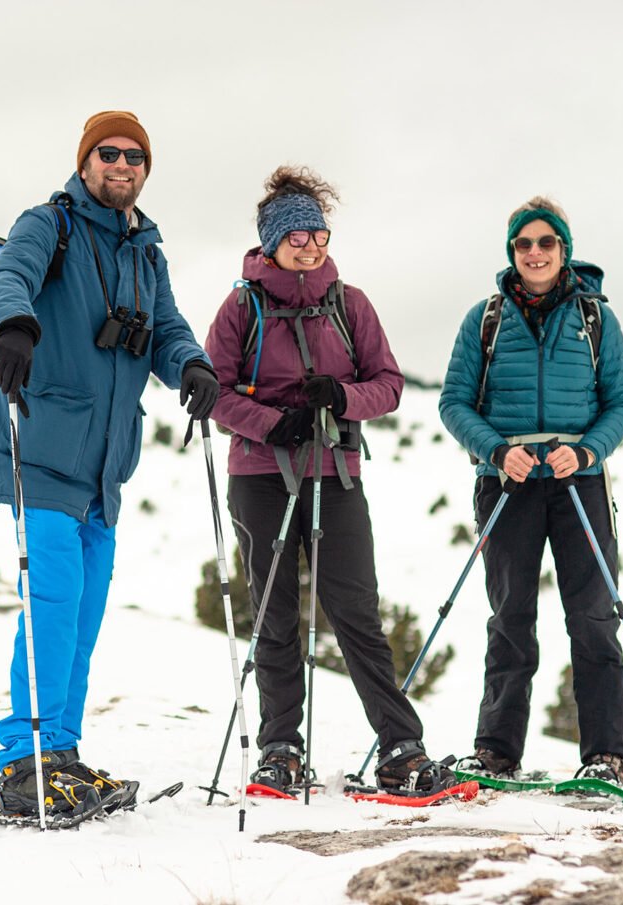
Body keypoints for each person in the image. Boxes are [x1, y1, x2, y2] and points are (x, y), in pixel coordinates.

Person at [0, 111, 220, 817]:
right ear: (85, 163)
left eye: (135, 156)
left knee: (82, 615)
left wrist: (192, 366)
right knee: (51, 607)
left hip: (107, 466)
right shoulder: (48, 224)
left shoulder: (147, 250)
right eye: (108, 154)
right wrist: (16, 326)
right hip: (43, 443)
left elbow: (167, 327)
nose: (122, 164)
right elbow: (6, 278)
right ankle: (23, 763)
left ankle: (62, 753)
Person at [204, 166, 456, 795]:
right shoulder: (241, 307)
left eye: (318, 232)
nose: (311, 244)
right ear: (271, 242)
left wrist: (340, 398)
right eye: (297, 235)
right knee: (276, 613)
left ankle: (401, 747)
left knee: (355, 612)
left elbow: (389, 386)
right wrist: (273, 423)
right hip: (262, 476)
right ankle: (280, 748)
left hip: (335, 474)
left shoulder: (350, 303)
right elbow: (213, 393)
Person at [438, 196, 623, 786]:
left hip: (580, 482)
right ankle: (497, 750)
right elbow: (454, 402)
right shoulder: (486, 319)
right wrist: (498, 451)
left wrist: (587, 450)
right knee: (510, 618)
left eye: (545, 242)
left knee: (594, 617)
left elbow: (622, 402)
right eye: (523, 244)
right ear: (511, 252)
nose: (534, 252)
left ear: (564, 250)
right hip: (508, 482)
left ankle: (606, 755)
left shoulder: (597, 318)